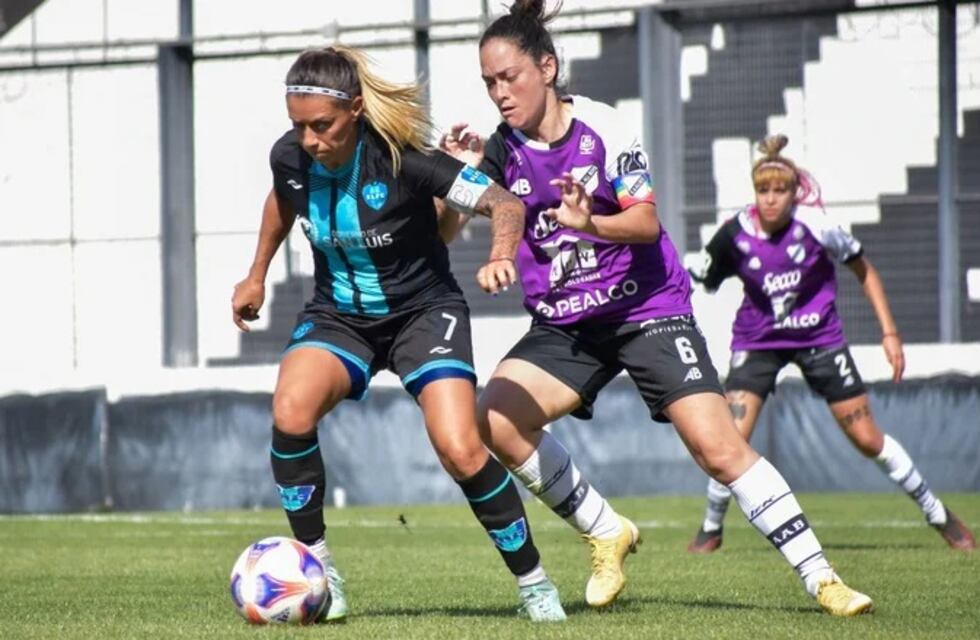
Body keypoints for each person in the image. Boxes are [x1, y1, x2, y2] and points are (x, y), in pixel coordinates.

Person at [440, 0, 873, 617]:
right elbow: (448, 234)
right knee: (496, 420)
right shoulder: (499, 151)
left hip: (646, 306)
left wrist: (591, 222)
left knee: (717, 449)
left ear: (548, 66)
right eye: (489, 82)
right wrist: (453, 183)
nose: (499, 93)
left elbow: (645, 224)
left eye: (510, 77)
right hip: (567, 323)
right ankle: (604, 529)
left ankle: (823, 578)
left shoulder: (606, 129)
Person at [231, 45, 567, 623]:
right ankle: (319, 570)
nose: (309, 139)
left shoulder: (406, 161)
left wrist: (501, 253)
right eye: (298, 126)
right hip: (339, 316)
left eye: (322, 125)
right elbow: (281, 203)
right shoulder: (289, 158)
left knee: (461, 448)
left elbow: (504, 202)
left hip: (423, 312)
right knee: (290, 412)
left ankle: (534, 583)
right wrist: (255, 273)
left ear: (357, 109)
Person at [685, 134, 976, 554]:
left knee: (867, 439)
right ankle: (711, 529)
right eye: (762, 190)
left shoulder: (818, 227)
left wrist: (890, 334)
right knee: (729, 439)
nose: (770, 199)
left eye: (779, 190)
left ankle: (938, 515)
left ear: (794, 191)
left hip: (818, 339)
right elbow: (700, 282)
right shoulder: (734, 234)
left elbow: (866, 271)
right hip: (758, 341)